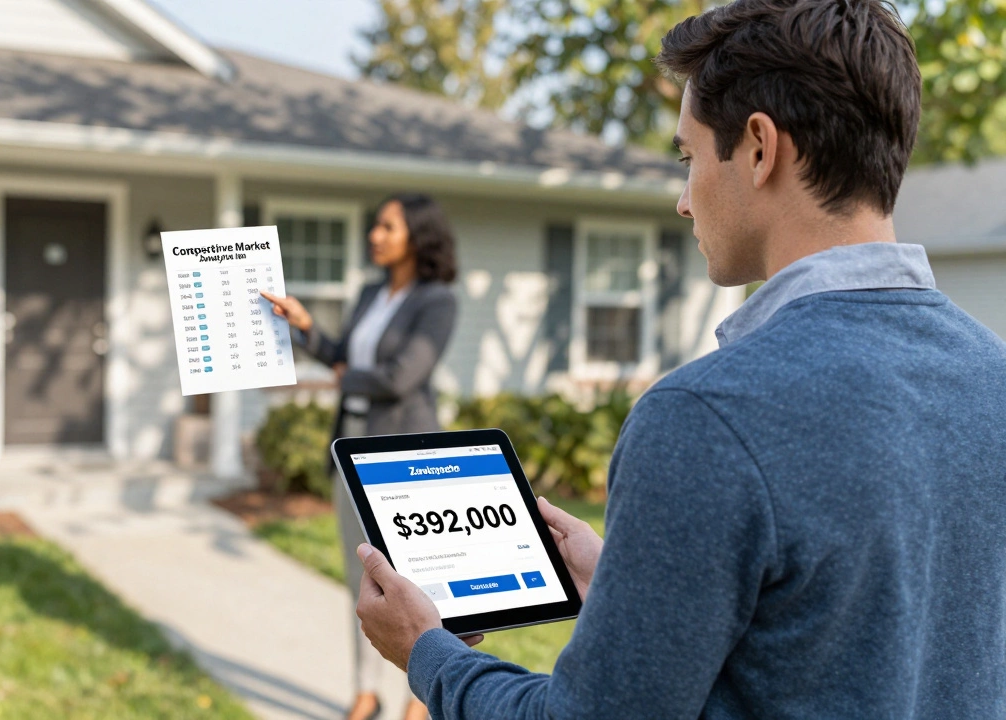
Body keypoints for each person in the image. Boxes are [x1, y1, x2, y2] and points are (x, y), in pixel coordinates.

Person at [352, 1, 1006, 718]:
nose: (682, 201)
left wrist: (426, 651)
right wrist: (631, 591)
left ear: (759, 147)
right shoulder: (990, 374)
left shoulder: (706, 417)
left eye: (689, 158)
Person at [262, 193, 459, 720]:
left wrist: (351, 377)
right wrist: (305, 326)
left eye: (387, 226)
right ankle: (364, 693)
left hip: (402, 461)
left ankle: (420, 698)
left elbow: (403, 377)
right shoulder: (373, 292)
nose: (374, 234)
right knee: (361, 586)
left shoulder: (437, 300)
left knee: (413, 586)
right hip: (348, 456)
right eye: (374, 225)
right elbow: (342, 356)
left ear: (417, 235)